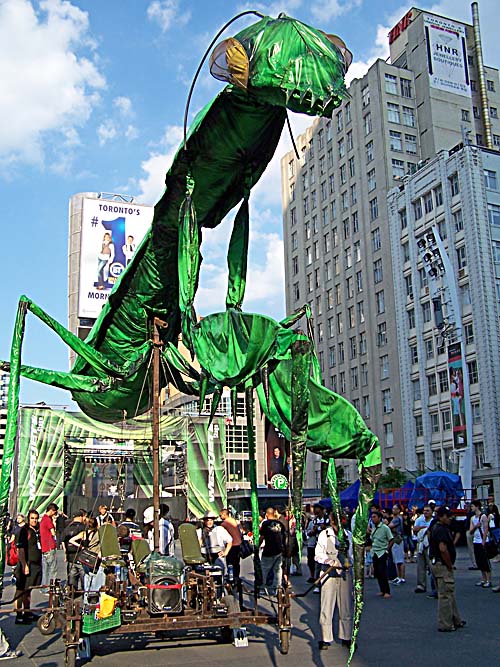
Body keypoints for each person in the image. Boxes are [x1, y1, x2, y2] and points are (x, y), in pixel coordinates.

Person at [314, 512, 353, 650]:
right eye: (335, 523)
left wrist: (350, 561)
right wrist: (328, 561)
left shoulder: (348, 535)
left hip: (345, 574)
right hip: (328, 573)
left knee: (346, 606)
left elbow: (354, 554)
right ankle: (325, 638)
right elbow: (318, 554)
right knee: (326, 606)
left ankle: (346, 636)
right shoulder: (324, 535)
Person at [429, 506, 465, 632]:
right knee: (445, 594)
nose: (450, 518)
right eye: (447, 516)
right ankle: (445, 623)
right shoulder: (441, 530)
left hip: (436, 562)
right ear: (441, 516)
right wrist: (449, 564)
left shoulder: (435, 527)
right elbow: (443, 549)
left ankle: (455, 619)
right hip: (442, 564)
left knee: (449, 593)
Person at [14, 509, 42, 624]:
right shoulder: (24, 531)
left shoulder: (35, 530)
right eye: (32, 518)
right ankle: (19, 614)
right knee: (21, 590)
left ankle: (27, 612)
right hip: (26, 565)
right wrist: (24, 565)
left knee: (28, 590)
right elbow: (20, 550)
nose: (34, 520)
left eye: (36, 518)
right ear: (28, 519)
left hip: (35, 565)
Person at [69, 516, 105, 596]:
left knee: (86, 576)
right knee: (95, 577)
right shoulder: (98, 534)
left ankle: (86, 595)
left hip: (85, 557)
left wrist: (81, 546)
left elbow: (71, 540)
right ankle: (93, 595)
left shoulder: (83, 533)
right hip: (94, 557)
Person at [259, 507, 286, 595]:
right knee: (278, 570)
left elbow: (262, 537)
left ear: (266, 515)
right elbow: (284, 536)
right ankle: (278, 588)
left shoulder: (266, 524)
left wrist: (257, 547)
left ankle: (263, 588)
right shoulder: (280, 523)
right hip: (279, 550)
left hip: (268, 550)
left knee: (264, 570)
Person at [370, 510, 394, 599]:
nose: (373, 519)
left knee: (382, 571)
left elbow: (391, 539)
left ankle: (387, 591)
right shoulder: (374, 527)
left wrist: (387, 550)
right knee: (377, 572)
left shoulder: (385, 528)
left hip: (382, 552)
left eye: (374, 517)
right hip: (375, 552)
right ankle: (382, 590)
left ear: (379, 518)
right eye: (372, 517)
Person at [62, 509, 87, 590]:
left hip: (70, 556)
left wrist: (65, 553)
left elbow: (63, 541)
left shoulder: (67, 527)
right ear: (80, 517)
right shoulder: (83, 527)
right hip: (81, 556)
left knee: (72, 579)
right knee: (84, 578)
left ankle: (72, 593)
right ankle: (84, 593)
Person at [469, 499, 491, 587]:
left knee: (485, 561)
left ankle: (488, 580)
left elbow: (486, 530)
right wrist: (475, 526)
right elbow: (470, 531)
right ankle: (483, 578)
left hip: (482, 541)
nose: (471, 508)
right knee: (479, 561)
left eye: (472, 506)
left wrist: (483, 541)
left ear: (477, 507)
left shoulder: (483, 517)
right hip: (476, 541)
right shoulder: (472, 518)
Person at [413, 504, 433, 593]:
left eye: (428, 510)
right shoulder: (419, 519)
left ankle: (435, 586)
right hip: (420, 544)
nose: (426, 512)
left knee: (432, 566)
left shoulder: (434, 521)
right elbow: (415, 529)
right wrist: (424, 528)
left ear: (432, 512)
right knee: (420, 566)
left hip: (430, 545)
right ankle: (421, 585)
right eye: (424, 510)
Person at [39, 503, 58, 591]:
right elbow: (53, 533)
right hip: (50, 546)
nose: (55, 514)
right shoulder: (48, 520)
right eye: (54, 512)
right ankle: (51, 587)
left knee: (45, 569)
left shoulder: (43, 519)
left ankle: (44, 587)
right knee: (52, 569)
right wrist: (54, 522)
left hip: (44, 547)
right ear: (51, 511)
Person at [219, 508, 242, 581]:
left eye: (221, 515)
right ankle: (236, 576)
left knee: (230, 562)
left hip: (231, 545)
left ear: (224, 514)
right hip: (238, 543)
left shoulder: (224, 524)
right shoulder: (234, 521)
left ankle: (231, 576)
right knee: (236, 562)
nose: (220, 517)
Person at [389, 504, 405, 584]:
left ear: (399, 510)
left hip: (397, 539)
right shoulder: (397, 518)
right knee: (396, 559)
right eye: (393, 509)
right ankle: (399, 576)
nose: (393, 510)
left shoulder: (397, 519)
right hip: (395, 539)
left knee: (399, 559)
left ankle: (401, 577)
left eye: (395, 509)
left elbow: (389, 526)